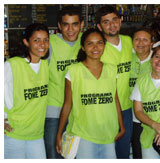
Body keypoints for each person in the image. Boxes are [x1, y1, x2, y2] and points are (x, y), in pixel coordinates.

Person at [56, 28, 125, 159]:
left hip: (108, 132)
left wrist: (122, 126)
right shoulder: (74, 71)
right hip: (83, 134)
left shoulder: (112, 69)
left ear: (104, 45)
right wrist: (59, 133)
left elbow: (115, 99)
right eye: (90, 43)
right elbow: (67, 104)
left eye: (99, 43)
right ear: (83, 47)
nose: (95, 47)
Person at [4, 23, 49, 159]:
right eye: (36, 40)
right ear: (26, 42)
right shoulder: (13, 65)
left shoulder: (45, 65)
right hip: (14, 133)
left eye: (46, 40)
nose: (42, 44)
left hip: (36, 134)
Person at [44, 5, 84, 158]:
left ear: (81, 24)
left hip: (79, 113)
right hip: (54, 111)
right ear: (59, 26)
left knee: (77, 156)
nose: (70, 29)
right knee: (54, 154)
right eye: (66, 24)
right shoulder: (49, 43)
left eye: (75, 24)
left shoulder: (88, 41)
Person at [96, 5, 133, 158]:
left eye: (114, 20)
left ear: (121, 20)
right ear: (99, 26)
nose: (111, 25)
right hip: (105, 110)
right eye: (106, 22)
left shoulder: (129, 41)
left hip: (127, 108)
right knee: (105, 152)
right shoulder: (97, 48)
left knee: (123, 152)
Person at [130, 27, 153, 159]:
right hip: (130, 115)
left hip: (152, 115)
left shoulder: (157, 60)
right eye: (137, 39)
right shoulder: (127, 58)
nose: (141, 43)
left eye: (145, 40)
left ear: (151, 43)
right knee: (137, 151)